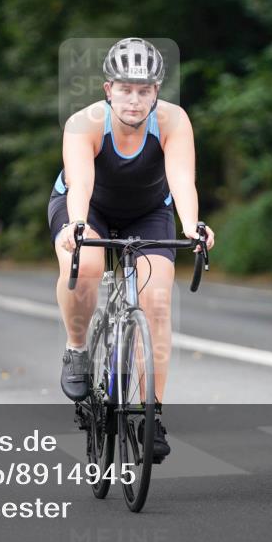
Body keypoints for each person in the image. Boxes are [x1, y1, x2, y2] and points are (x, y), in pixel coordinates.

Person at [49, 37, 215, 462]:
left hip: (147, 212)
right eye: (125, 89)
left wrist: (193, 225)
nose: (135, 100)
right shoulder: (83, 124)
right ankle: (76, 348)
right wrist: (77, 226)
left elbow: (181, 180)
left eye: (145, 90)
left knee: (157, 300)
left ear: (157, 91)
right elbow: (81, 182)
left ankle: (151, 415)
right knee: (84, 265)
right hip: (89, 208)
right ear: (108, 90)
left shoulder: (174, 122)